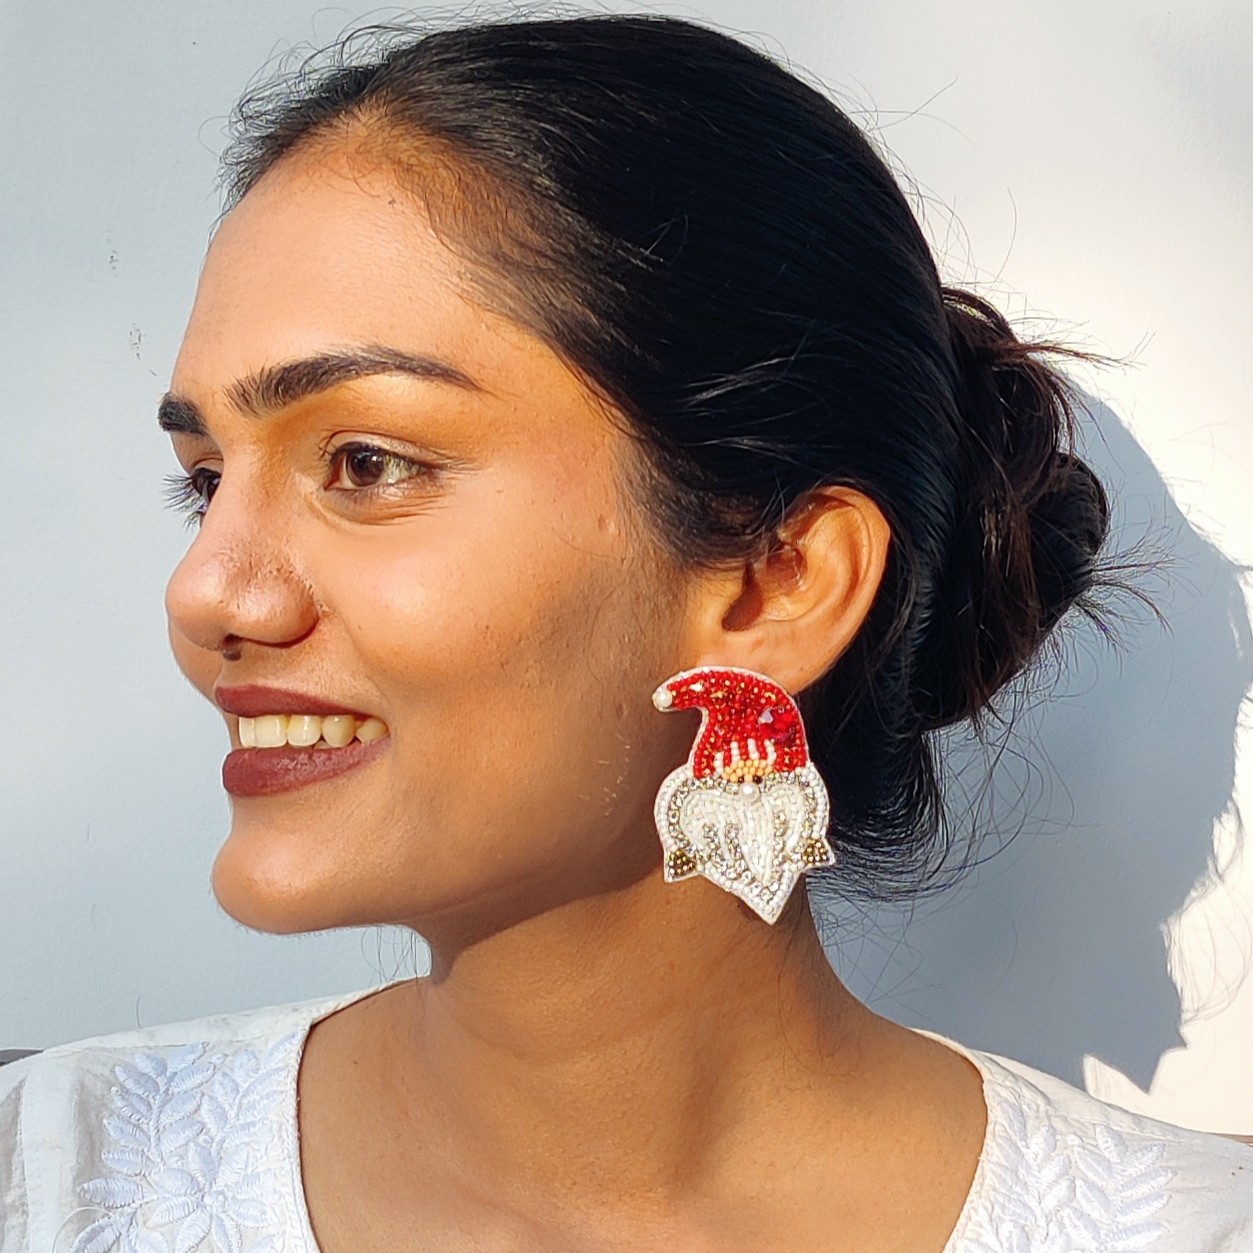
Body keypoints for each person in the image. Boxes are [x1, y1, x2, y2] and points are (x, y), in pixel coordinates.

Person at [1, 13, 1249, 1252]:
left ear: (776, 584)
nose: (207, 591)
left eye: (367, 461)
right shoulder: (46, 1176)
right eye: (206, 477)